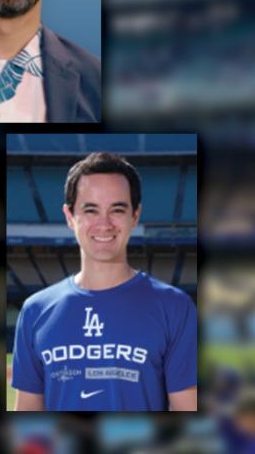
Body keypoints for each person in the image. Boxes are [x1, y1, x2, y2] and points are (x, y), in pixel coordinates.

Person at [12, 152, 197, 411]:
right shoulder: (35, 311)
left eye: (117, 210)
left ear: (135, 215)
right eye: (90, 210)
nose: (104, 224)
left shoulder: (175, 307)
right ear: (69, 216)